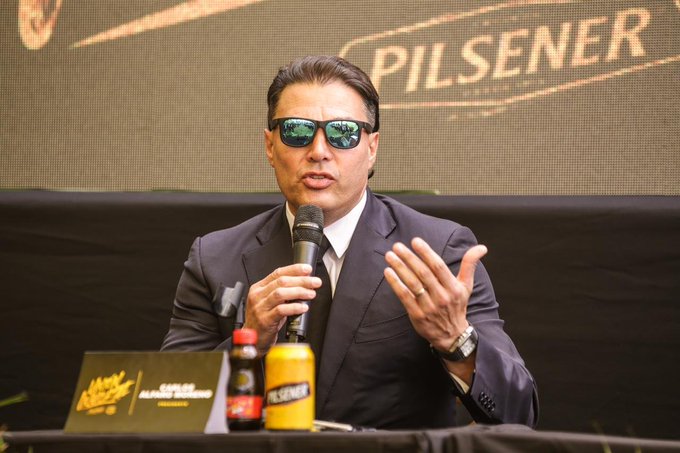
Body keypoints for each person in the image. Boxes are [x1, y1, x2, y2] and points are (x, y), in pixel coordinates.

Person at [161, 55, 538, 429]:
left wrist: (456, 340)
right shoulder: (214, 258)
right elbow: (165, 406)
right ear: (270, 146)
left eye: (343, 133)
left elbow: (518, 411)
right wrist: (249, 344)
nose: (319, 151)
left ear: (372, 148)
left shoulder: (437, 251)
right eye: (297, 131)